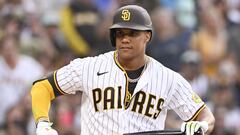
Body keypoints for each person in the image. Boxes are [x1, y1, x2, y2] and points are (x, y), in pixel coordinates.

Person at [31, 5, 215, 135]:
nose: (125, 39)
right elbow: (42, 88)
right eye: (120, 33)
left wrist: (202, 125)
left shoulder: (168, 78)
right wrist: (42, 123)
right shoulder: (89, 67)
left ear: (147, 36)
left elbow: (205, 115)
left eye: (132, 33)